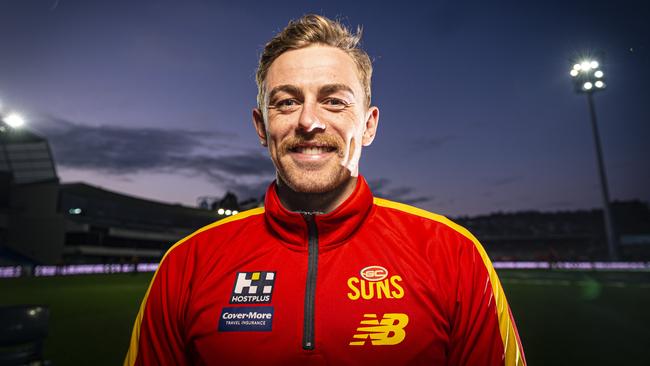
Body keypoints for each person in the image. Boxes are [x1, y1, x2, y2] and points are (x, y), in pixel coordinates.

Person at [125, 14, 526, 366]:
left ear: (368, 125)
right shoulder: (186, 265)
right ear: (261, 127)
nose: (309, 121)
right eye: (286, 102)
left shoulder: (454, 255)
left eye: (333, 101)